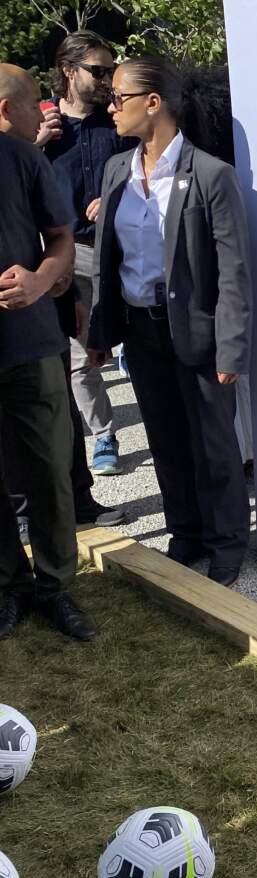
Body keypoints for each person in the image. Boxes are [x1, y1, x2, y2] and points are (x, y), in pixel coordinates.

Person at [87, 56, 252, 586]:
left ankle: (227, 541)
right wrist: (100, 333)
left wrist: (230, 348)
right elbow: (110, 262)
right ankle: (186, 533)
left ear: (152, 103)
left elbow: (233, 270)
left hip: (196, 332)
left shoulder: (209, 175)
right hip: (140, 330)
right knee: (164, 438)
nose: (109, 107)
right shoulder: (116, 171)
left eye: (119, 97)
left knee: (213, 445)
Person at [0, 64, 97, 642]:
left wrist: (41, 279)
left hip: (31, 344)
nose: (46, 112)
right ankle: (9, 586)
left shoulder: (20, 159)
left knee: (50, 471)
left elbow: (61, 238)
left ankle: (55, 584)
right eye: (38, 103)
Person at [37, 30, 133, 478]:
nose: (106, 79)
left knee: (137, 341)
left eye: (110, 70)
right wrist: (34, 143)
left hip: (122, 248)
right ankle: (104, 434)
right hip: (69, 252)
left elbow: (144, 169)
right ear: (68, 71)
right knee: (80, 354)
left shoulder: (116, 120)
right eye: (98, 70)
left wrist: (115, 197)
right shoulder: (45, 126)